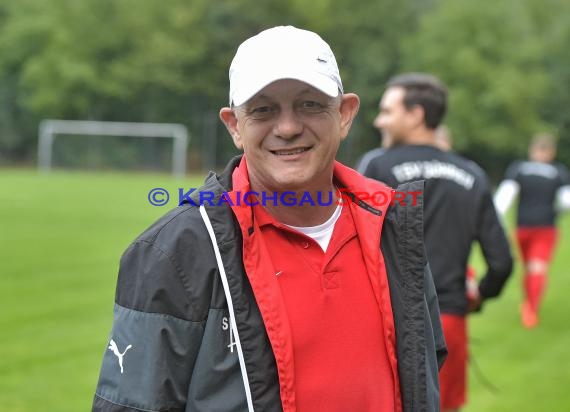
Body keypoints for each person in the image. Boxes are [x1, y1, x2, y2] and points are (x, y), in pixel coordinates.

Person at [92, 27, 446, 412]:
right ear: (234, 126)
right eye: (263, 109)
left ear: (344, 115)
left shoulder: (392, 227)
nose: (288, 127)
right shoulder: (175, 252)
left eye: (310, 104)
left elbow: (422, 373)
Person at [361, 73, 513, 412]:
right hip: (450, 320)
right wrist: (479, 295)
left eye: (387, 112)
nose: (378, 120)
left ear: (415, 115)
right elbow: (501, 262)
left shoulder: (376, 165)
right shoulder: (471, 174)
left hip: (389, 323)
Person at [494, 134, 570, 328]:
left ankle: (529, 306)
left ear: (532, 150)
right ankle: (531, 308)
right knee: (537, 268)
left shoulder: (519, 169)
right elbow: (566, 202)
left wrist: (495, 221)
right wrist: (557, 211)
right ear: (551, 152)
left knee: (529, 267)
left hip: (522, 226)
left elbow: (505, 198)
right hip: (546, 226)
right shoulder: (558, 172)